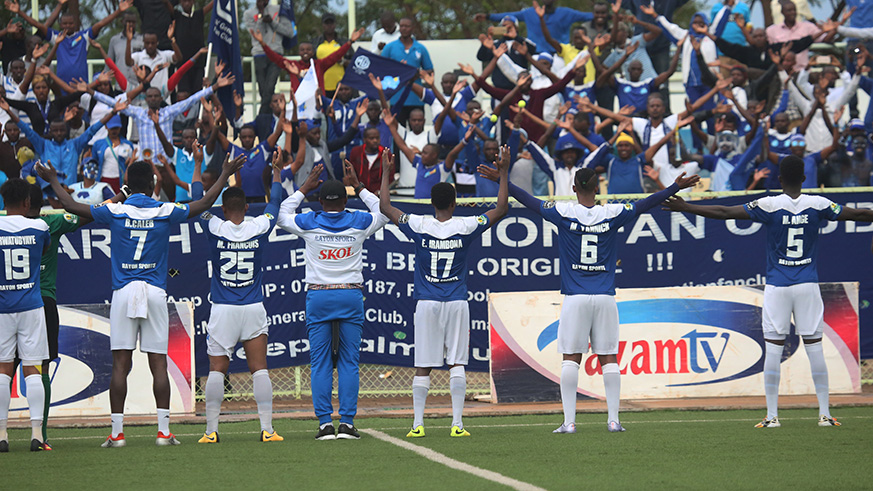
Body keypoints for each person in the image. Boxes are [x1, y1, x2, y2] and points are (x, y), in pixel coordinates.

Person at [37, 153, 245, 448]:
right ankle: (163, 432)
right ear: (151, 185)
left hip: (123, 292)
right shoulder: (164, 210)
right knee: (158, 362)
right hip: (154, 292)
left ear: (127, 184)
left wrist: (53, 180)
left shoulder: (115, 210)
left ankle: (117, 434)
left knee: (120, 364)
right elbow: (204, 203)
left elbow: (70, 205)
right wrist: (224, 173)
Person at [480, 163, 699, 433]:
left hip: (576, 297)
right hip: (605, 297)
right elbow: (645, 203)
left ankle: (569, 422)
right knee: (609, 358)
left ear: (573, 188)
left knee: (571, 359)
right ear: (597, 188)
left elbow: (528, 200)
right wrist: (674, 187)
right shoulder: (612, 212)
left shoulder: (563, 211)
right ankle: (614, 421)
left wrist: (502, 179)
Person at [663, 155, 873, 428]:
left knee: (773, 350)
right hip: (807, 285)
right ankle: (825, 414)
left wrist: (687, 207)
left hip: (777, 286)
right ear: (804, 178)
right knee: (815, 348)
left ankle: (772, 416)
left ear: (780, 179)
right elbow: (858, 214)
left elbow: (725, 212)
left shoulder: (769, 204)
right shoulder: (818, 203)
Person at [379, 147, 509, 438]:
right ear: (454, 202)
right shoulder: (465, 226)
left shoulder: (419, 224)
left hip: (427, 303)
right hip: (456, 302)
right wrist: (503, 174)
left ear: (431, 203)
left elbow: (385, 207)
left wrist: (386, 173)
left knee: (423, 365)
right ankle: (457, 424)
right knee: (457, 363)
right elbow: (501, 209)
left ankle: (417, 424)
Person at [277, 161, 388, 440]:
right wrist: (360, 186)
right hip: (350, 294)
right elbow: (384, 211)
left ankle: (325, 424)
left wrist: (303, 188)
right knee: (349, 361)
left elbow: (281, 215)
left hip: (319, 296)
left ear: (320, 201)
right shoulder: (359, 221)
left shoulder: (309, 221)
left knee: (320, 362)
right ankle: (347, 424)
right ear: (346, 200)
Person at [198, 153, 284, 444]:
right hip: (252, 307)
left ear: (222, 209)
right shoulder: (258, 226)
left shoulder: (214, 225)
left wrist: (200, 165)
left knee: (216, 370)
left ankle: (211, 432)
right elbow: (275, 202)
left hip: (223, 308)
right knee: (259, 369)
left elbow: (199, 200)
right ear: (247, 207)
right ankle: (267, 430)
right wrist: (276, 171)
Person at [85, 63, 235, 162]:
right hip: (146, 163)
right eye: (150, 96)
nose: (153, 98)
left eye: (156, 96)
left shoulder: (168, 112)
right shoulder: (139, 113)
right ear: (146, 99)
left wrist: (214, 86)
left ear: (161, 98)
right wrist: (90, 91)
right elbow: (111, 102)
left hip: (166, 163)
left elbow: (191, 100)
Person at [0, 178, 50, 452]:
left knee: (2, 370)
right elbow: (44, 250)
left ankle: (2, 434)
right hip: (31, 306)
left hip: (2, 308)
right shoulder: (39, 227)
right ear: (27, 201)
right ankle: (36, 434)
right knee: (33, 369)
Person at [0, 97, 125, 186]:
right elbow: (28, 131)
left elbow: (92, 130)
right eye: (55, 131)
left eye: (61, 130)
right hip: (49, 196)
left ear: (66, 131)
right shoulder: (43, 145)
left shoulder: (75, 144)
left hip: (70, 194)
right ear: (51, 131)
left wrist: (113, 112)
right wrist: (9, 111)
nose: (59, 133)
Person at [8, 0, 133, 86]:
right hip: (61, 84)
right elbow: (38, 25)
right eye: (65, 23)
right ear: (60, 24)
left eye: (70, 23)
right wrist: (20, 12)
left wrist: (118, 11)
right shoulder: (56, 36)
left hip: (81, 85)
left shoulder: (84, 36)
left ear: (75, 24)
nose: (68, 26)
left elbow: (100, 24)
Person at [475, 0, 593, 55]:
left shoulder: (567, 13)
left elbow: (589, 16)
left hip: (560, 55)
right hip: (536, 55)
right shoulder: (529, 13)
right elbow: (509, 15)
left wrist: (604, 16)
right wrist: (487, 16)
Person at [243, 0, 295, 114]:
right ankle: (269, 117)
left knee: (270, 87)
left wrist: (272, 22)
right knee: (263, 89)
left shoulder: (279, 10)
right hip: (259, 53)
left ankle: (262, 117)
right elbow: (256, 34)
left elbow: (290, 32)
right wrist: (261, 15)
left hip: (276, 53)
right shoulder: (248, 14)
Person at [381, 16, 434, 124]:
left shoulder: (420, 48)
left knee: (417, 131)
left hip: (416, 99)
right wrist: (398, 70)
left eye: (407, 26)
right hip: (396, 98)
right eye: (401, 26)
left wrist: (416, 73)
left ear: (413, 28)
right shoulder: (390, 47)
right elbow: (381, 69)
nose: (404, 28)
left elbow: (430, 71)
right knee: (397, 131)